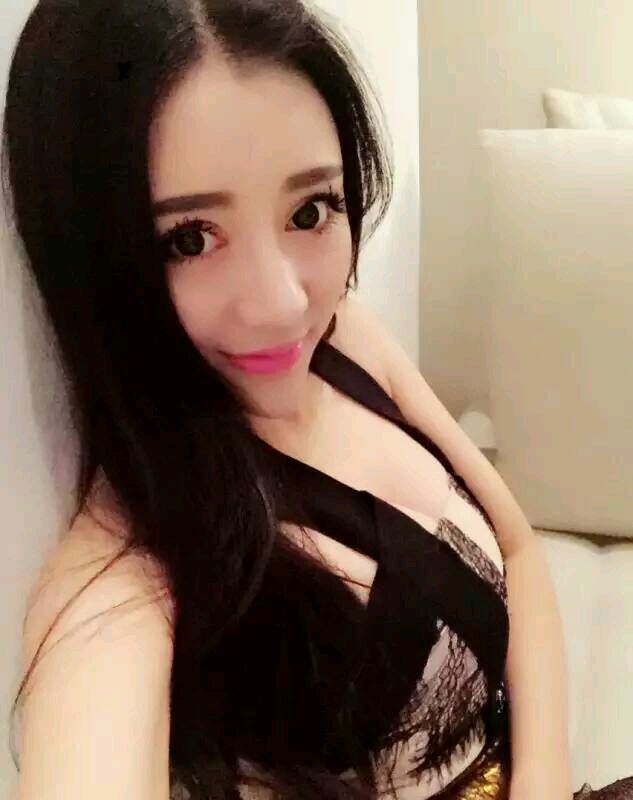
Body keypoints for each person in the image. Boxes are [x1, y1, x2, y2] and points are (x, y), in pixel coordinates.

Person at [3, 1, 632, 799]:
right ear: (96, 254)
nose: (281, 304)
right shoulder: (120, 575)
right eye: (189, 238)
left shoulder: (346, 341)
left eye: (310, 211)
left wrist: (542, 777)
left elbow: (518, 547)